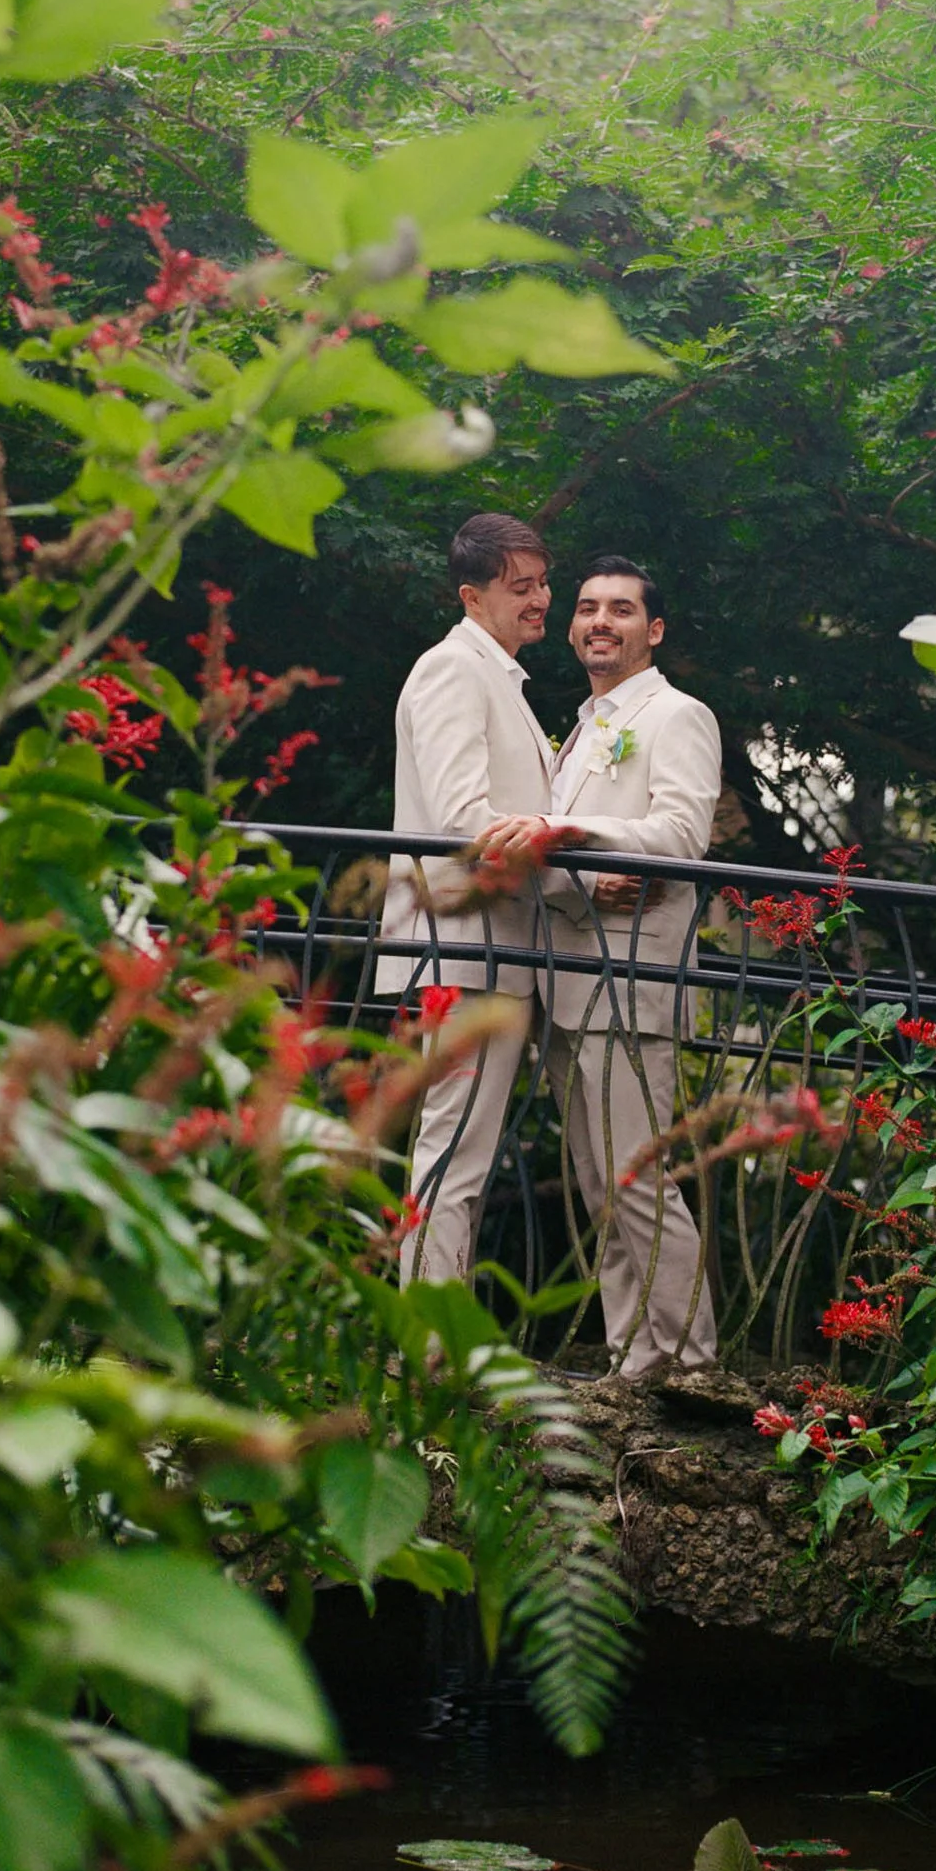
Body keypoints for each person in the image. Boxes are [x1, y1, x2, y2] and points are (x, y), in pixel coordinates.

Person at [539, 555, 720, 1374]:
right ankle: (633, 1359)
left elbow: (682, 836)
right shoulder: (582, 726)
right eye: (586, 608)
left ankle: (689, 1361)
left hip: (632, 978)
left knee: (637, 1181)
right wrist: (578, 867)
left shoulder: (677, 714)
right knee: (600, 1187)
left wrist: (579, 839)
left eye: (619, 608)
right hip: (573, 977)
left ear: (654, 630)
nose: (598, 621)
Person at [385, 512, 559, 1289]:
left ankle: (431, 1337)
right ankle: (422, 1346)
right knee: (450, 1155)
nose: (542, 599)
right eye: (521, 587)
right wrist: (572, 865)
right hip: (461, 949)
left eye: (544, 582)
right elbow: (463, 816)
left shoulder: (500, 677)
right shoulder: (454, 669)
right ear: (471, 594)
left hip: (495, 952)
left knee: (462, 1157)